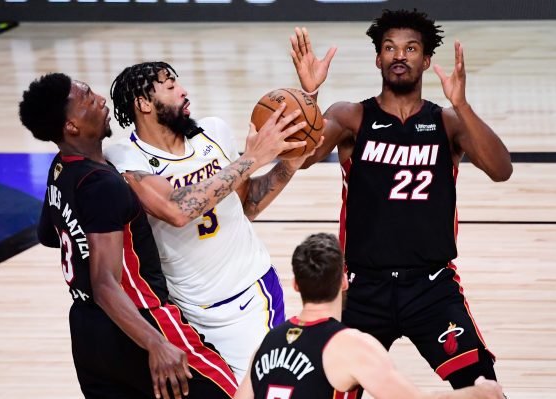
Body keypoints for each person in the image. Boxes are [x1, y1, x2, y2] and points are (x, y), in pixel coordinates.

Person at [19, 73, 299, 398]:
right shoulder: (106, 182)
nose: (99, 99)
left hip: (85, 331)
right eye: (87, 98)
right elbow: (105, 283)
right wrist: (156, 343)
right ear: (71, 126)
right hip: (139, 317)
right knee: (230, 393)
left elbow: (50, 234)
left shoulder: (61, 170)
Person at [288, 9, 513, 391]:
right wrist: (309, 96)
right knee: (324, 389)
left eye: (410, 48)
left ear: (425, 60)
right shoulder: (352, 117)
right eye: (389, 48)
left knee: (483, 389)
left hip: (431, 287)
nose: (399, 55)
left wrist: (461, 104)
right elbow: (300, 159)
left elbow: (501, 169)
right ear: (378, 59)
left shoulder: (446, 122)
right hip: (361, 287)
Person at [105, 61, 319, 380]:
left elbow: (247, 204)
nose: (184, 90)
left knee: (266, 387)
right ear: (143, 103)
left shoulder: (213, 132)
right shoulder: (126, 156)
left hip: (250, 297)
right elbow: (177, 210)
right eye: (170, 86)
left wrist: (306, 107)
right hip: (187, 312)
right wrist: (252, 158)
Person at [235, 233, 505, 399]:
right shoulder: (351, 346)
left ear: (295, 284)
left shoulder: (267, 343)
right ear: (344, 281)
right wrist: (480, 393)